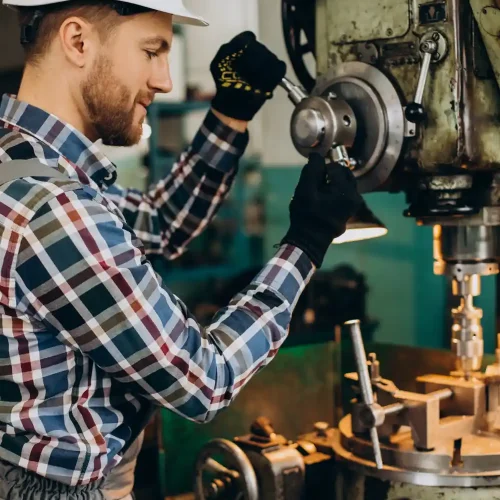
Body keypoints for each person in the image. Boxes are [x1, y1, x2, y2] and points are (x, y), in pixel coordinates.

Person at [0, 0, 363, 498]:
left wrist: (228, 115)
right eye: (152, 51)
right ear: (78, 41)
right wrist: (306, 243)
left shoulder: (22, 160)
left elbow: (157, 224)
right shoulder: (54, 209)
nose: (165, 80)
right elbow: (203, 380)